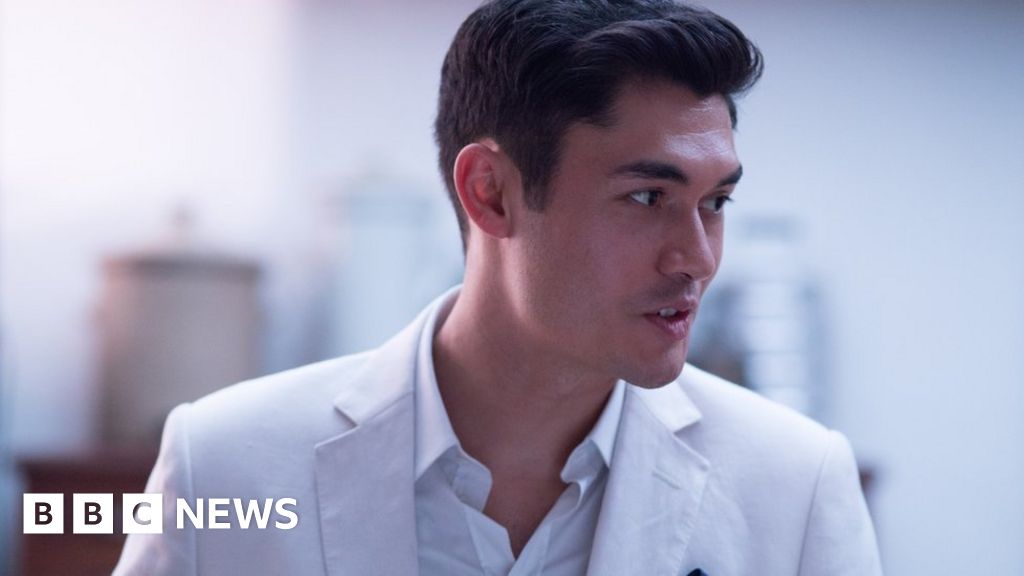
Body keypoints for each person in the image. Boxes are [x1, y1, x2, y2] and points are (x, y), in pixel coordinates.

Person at [115, 0, 882, 574]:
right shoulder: (226, 463)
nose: (698, 258)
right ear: (491, 192)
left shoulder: (795, 486)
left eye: (716, 203)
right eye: (648, 197)